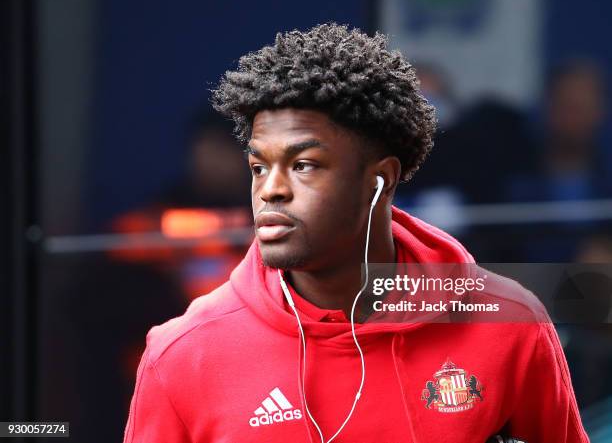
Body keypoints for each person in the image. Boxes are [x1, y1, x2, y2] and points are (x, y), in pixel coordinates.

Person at [123, 24, 589, 443]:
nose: (271, 190)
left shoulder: (508, 323)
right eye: (259, 167)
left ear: (379, 179)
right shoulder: (184, 353)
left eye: (303, 166)